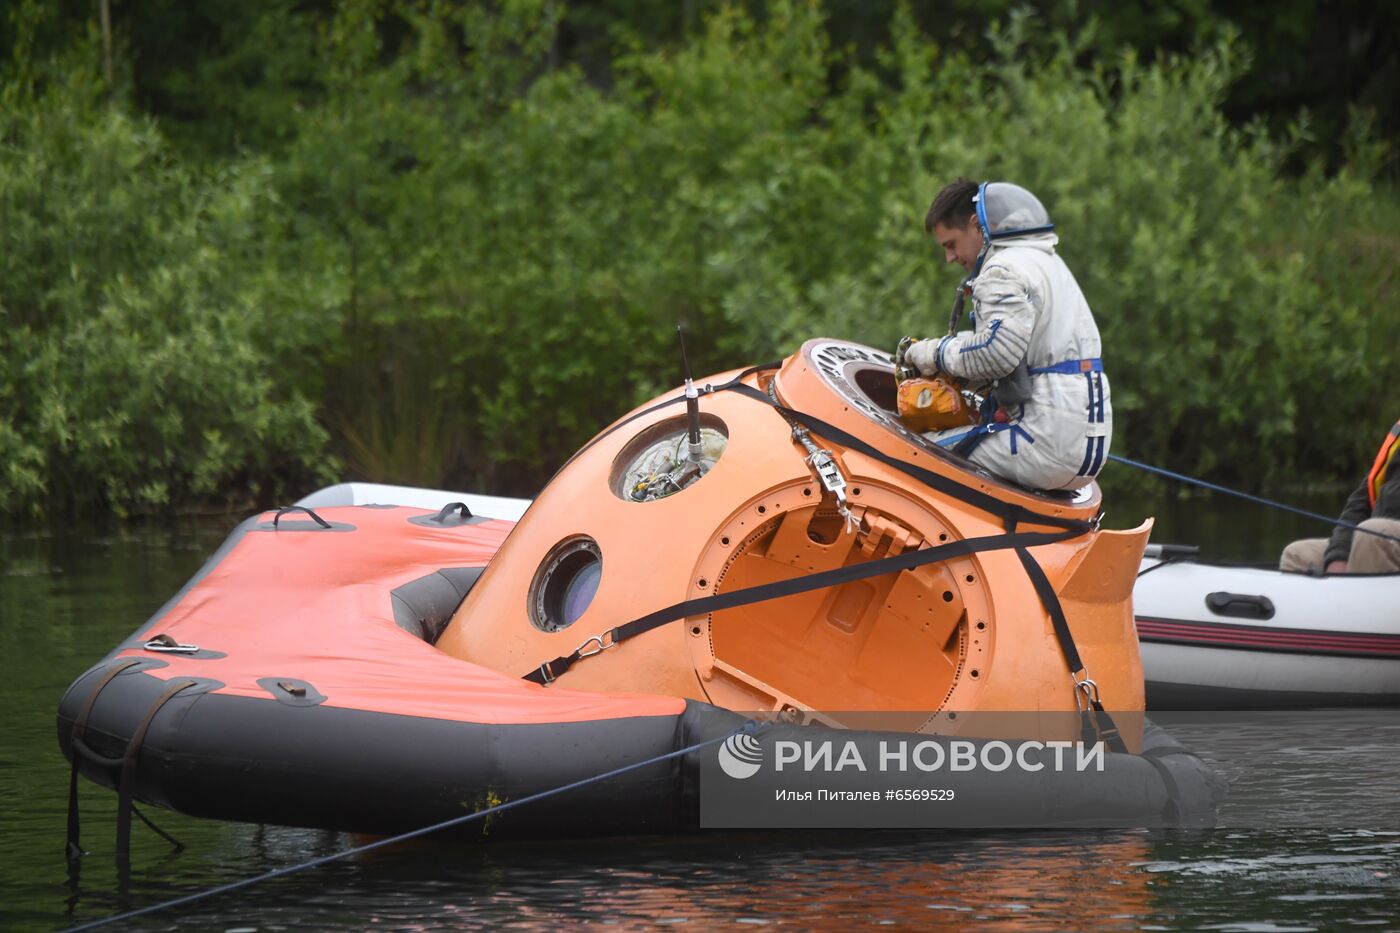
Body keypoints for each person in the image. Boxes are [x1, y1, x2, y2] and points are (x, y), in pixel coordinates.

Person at [898, 178, 1110, 492]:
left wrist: (930, 353)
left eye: (951, 245)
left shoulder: (1003, 269)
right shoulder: (1046, 260)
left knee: (912, 450)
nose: (950, 258)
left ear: (975, 225)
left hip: (1045, 443)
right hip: (1088, 444)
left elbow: (995, 354)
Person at [1279, 421, 1400, 574]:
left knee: (1373, 533)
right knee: (1297, 555)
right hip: (1374, 537)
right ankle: (1340, 592)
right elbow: (1359, 502)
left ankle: (1355, 595)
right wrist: (1338, 555)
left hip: (1377, 537)